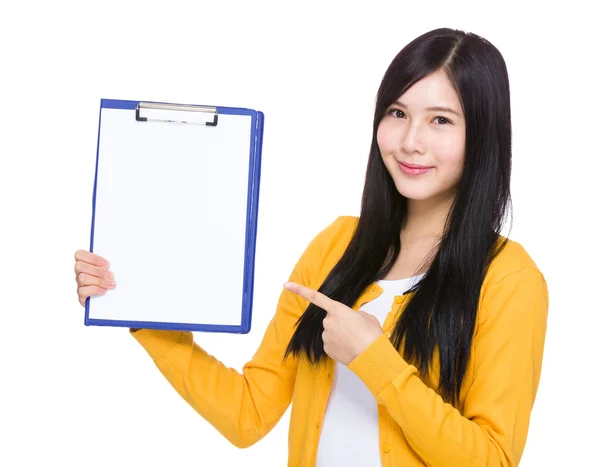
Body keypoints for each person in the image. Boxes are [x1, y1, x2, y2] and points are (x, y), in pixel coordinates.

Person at [74, 27, 548, 467]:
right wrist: (141, 310)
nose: (410, 141)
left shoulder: (509, 278)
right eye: (397, 113)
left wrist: (375, 359)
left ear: (482, 135)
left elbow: (493, 459)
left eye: (441, 120)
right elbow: (249, 414)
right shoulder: (336, 244)